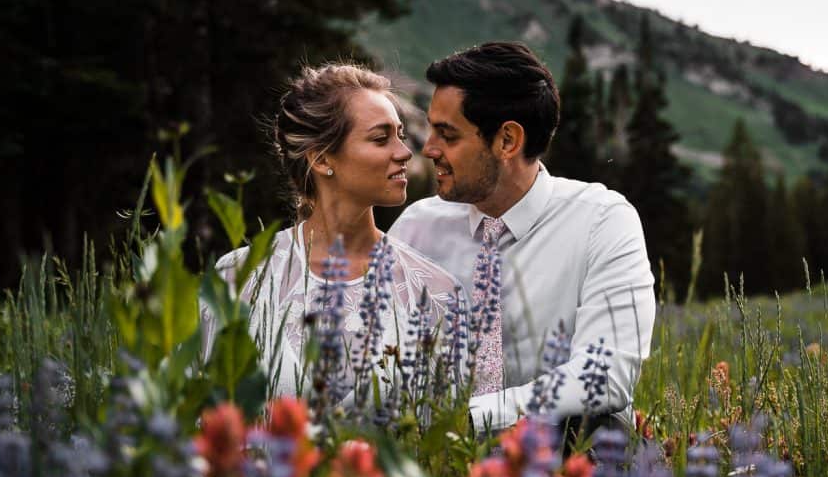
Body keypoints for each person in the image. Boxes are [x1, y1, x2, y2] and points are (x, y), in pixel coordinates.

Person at [389, 42, 656, 432]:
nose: (428, 149)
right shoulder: (417, 227)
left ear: (507, 141)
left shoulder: (602, 220)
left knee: (600, 429)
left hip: (560, 453)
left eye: (447, 135)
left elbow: (605, 376)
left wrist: (470, 421)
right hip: (435, 454)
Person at [208, 63, 464, 401]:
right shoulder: (238, 279)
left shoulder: (435, 293)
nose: (404, 152)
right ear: (322, 159)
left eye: (400, 135)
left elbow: (452, 439)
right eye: (380, 138)